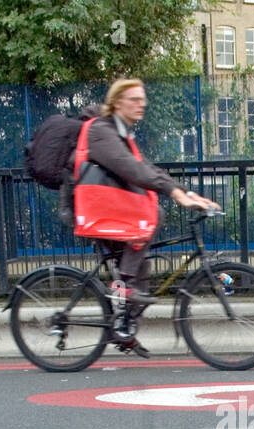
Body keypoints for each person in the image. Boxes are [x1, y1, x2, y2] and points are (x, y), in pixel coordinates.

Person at [80, 78, 218, 354]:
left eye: (143, 99)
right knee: (152, 214)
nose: (141, 104)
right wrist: (174, 194)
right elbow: (131, 169)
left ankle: (125, 328)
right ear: (117, 102)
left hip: (104, 206)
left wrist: (183, 191)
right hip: (87, 207)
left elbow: (147, 168)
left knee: (141, 268)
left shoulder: (122, 133)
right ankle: (123, 294)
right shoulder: (101, 131)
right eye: (134, 99)